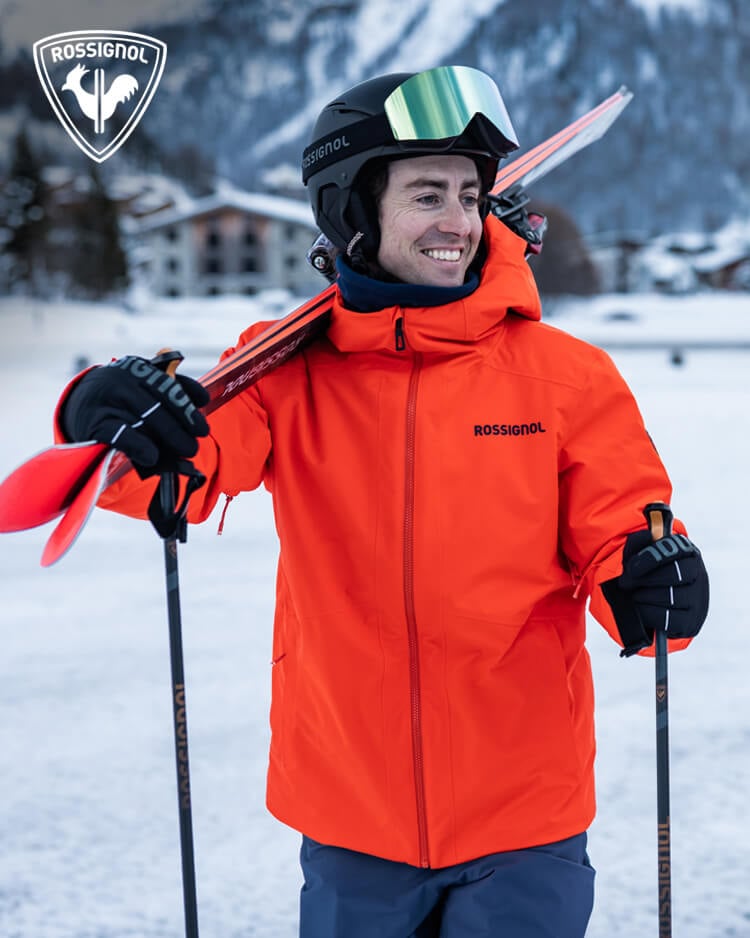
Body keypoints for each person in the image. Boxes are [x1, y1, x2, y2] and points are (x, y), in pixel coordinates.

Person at [55, 66, 709, 937]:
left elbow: (623, 524)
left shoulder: (565, 377)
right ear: (353, 210)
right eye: (427, 194)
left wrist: (650, 577)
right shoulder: (283, 369)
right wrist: (114, 418)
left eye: (472, 195)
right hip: (351, 810)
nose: (458, 221)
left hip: (525, 814)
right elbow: (178, 474)